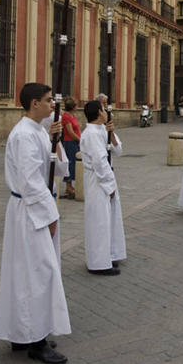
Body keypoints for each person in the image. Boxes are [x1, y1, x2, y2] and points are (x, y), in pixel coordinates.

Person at [0, 83, 71, 364]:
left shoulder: (38, 131)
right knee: (38, 272)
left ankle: (23, 332)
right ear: (34, 103)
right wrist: (49, 215)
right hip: (30, 210)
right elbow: (30, 181)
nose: (53, 105)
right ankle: (36, 342)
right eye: (49, 101)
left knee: (26, 272)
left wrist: (56, 139)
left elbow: (59, 168)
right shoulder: (24, 135)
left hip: (30, 209)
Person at [80, 100, 126, 275]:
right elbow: (99, 161)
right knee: (99, 220)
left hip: (106, 177)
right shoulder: (90, 133)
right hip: (97, 180)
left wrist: (112, 133)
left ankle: (110, 253)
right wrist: (109, 186)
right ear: (99, 113)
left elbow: (118, 151)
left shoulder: (102, 129)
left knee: (109, 218)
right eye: (104, 109)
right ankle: (98, 262)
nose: (107, 112)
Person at [61, 96, 80, 199]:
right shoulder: (66, 117)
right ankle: (68, 186)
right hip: (70, 142)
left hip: (75, 142)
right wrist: (79, 140)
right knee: (71, 163)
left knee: (75, 163)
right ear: (73, 107)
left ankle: (70, 185)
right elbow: (70, 132)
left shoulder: (72, 115)